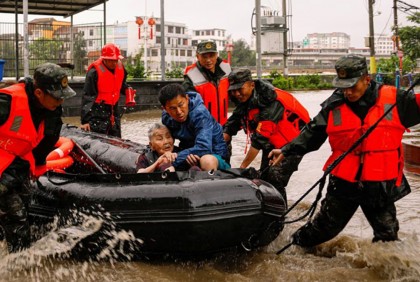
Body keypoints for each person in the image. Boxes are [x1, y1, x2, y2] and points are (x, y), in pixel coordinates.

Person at [269, 54, 420, 249]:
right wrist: (287, 149)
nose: (347, 92)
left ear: (367, 79)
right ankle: (292, 246)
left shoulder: (397, 99)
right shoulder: (333, 105)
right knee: (324, 228)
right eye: (343, 86)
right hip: (344, 181)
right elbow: (312, 132)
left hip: (380, 183)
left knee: (387, 235)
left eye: (352, 86)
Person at [0, 63, 76, 252]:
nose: (60, 102)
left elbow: (47, 140)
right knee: (17, 220)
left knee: (26, 208)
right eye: (57, 97)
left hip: (20, 166)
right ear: (39, 93)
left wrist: (38, 165)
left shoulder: (53, 109)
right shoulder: (6, 102)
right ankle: (18, 269)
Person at [223, 69, 310, 201]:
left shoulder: (271, 102)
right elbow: (232, 124)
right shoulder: (246, 100)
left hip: (294, 144)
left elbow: (258, 142)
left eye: (240, 89)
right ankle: (266, 210)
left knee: (275, 177)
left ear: (251, 85)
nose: (237, 94)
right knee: (264, 178)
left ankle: (280, 215)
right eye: (233, 90)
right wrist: (223, 139)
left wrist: (241, 169)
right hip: (272, 143)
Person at [158, 83, 230, 171]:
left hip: (213, 155)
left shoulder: (200, 114)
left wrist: (175, 160)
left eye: (181, 105)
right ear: (165, 109)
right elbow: (168, 141)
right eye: (173, 108)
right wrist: (167, 154)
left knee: (207, 160)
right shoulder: (166, 117)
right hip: (189, 154)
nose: (179, 112)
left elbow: (204, 148)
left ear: (187, 99)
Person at [80, 43, 133, 138]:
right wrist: (85, 121)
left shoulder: (121, 68)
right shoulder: (94, 73)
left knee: (116, 137)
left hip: (114, 109)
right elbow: (88, 96)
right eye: (111, 60)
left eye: (116, 60)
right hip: (97, 110)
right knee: (99, 139)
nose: (114, 63)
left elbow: (121, 84)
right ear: (104, 59)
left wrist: (127, 90)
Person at [182, 40, 231, 125]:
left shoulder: (226, 69)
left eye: (211, 56)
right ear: (197, 56)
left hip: (223, 126)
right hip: (203, 128)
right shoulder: (191, 76)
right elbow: (189, 105)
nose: (208, 60)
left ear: (216, 55)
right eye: (204, 56)